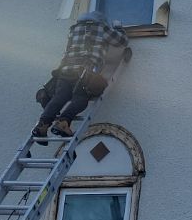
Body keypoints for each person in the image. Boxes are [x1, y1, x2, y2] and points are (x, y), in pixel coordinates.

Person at [33, 10, 130, 139]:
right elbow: (121, 41)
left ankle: (42, 125)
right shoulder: (101, 27)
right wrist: (118, 28)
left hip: (65, 70)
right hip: (85, 71)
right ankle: (63, 122)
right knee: (81, 99)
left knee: (60, 97)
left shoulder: (74, 29)